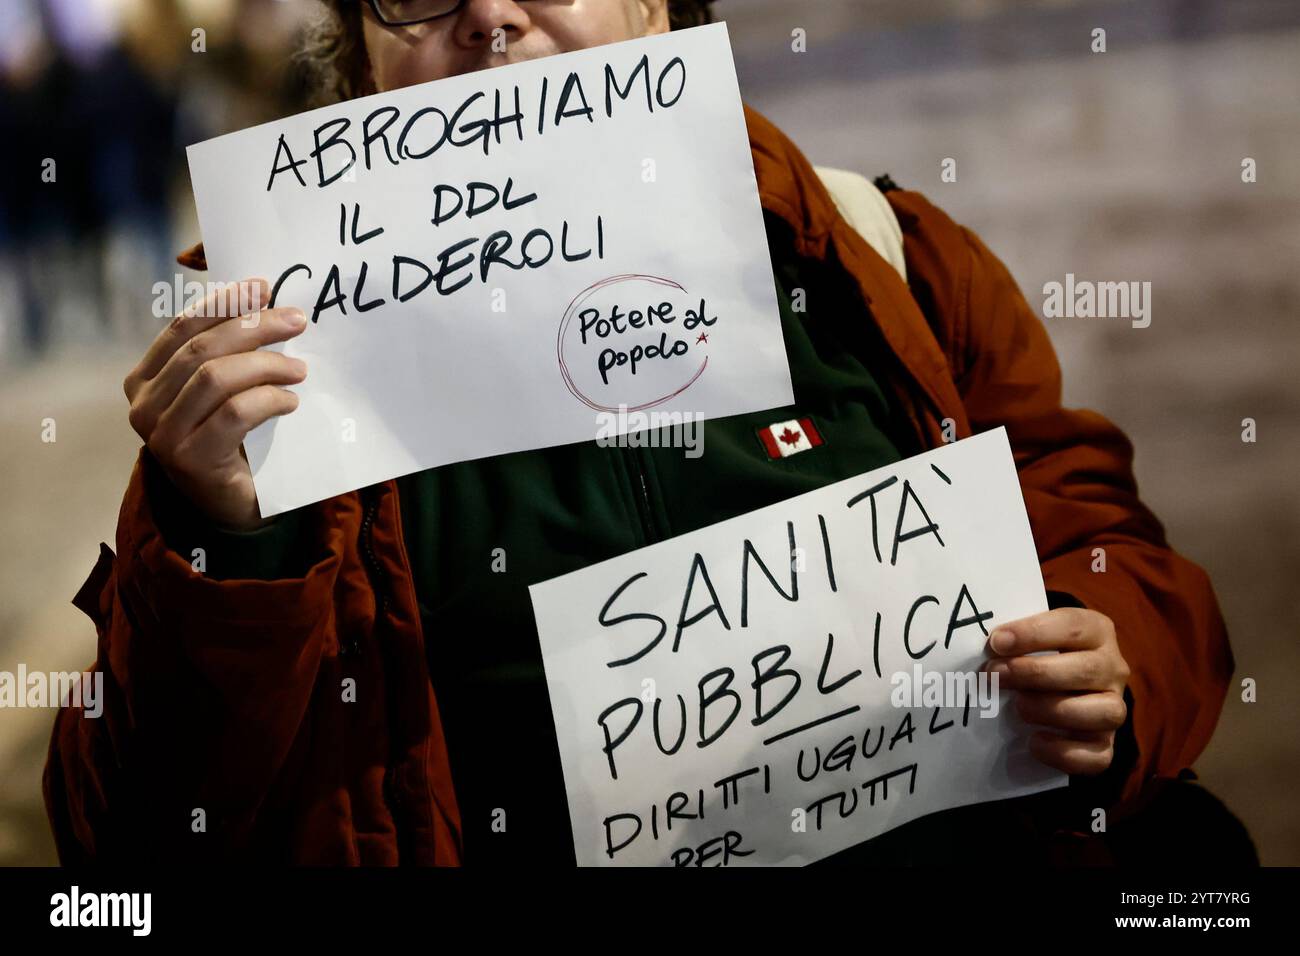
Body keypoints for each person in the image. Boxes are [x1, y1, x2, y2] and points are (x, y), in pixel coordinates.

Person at [44, 0, 1247, 866]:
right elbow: (126, 835)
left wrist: (1116, 667)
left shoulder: (880, 256)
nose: (491, 21)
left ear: (661, 12)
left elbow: (1109, 545)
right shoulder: (269, 384)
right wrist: (213, 541)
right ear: (357, 54)